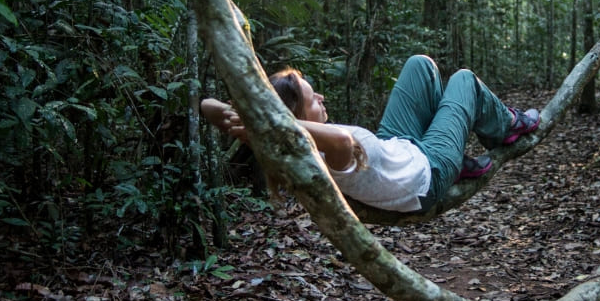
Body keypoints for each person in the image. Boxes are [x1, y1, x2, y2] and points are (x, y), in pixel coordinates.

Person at [201, 55, 539, 213]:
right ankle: (507, 127)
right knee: (464, 79)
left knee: (419, 66)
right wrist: (272, 123)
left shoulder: (287, 138)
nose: (321, 98)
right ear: (297, 118)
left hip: (400, 146)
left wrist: (252, 116)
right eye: (312, 98)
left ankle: (454, 152)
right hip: (427, 172)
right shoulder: (320, 152)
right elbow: (343, 141)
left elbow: (206, 106)